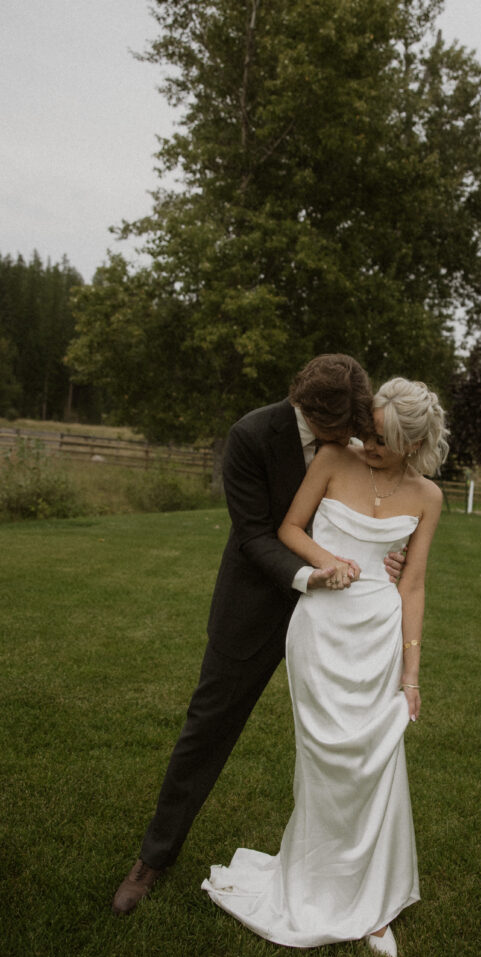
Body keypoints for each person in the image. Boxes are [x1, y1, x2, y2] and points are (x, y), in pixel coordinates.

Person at [112, 354, 405, 916]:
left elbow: (389, 498)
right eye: (338, 430)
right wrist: (308, 575)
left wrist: (393, 553)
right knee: (206, 730)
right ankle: (153, 857)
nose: (351, 439)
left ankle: (347, 877)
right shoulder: (250, 435)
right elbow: (251, 535)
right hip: (253, 609)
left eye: (355, 428)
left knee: (349, 747)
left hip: (340, 624)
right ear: (307, 410)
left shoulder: (356, 432)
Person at [202, 378, 449, 957]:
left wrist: (411, 675)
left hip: (379, 637)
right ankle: (313, 885)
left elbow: (411, 583)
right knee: (325, 762)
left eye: (384, 437)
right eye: (369, 427)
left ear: (413, 445)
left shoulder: (429, 497)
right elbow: (288, 528)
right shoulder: (336, 459)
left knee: (376, 762)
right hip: (321, 631)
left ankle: (375, 902)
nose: (368, 439)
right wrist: (327, 563)